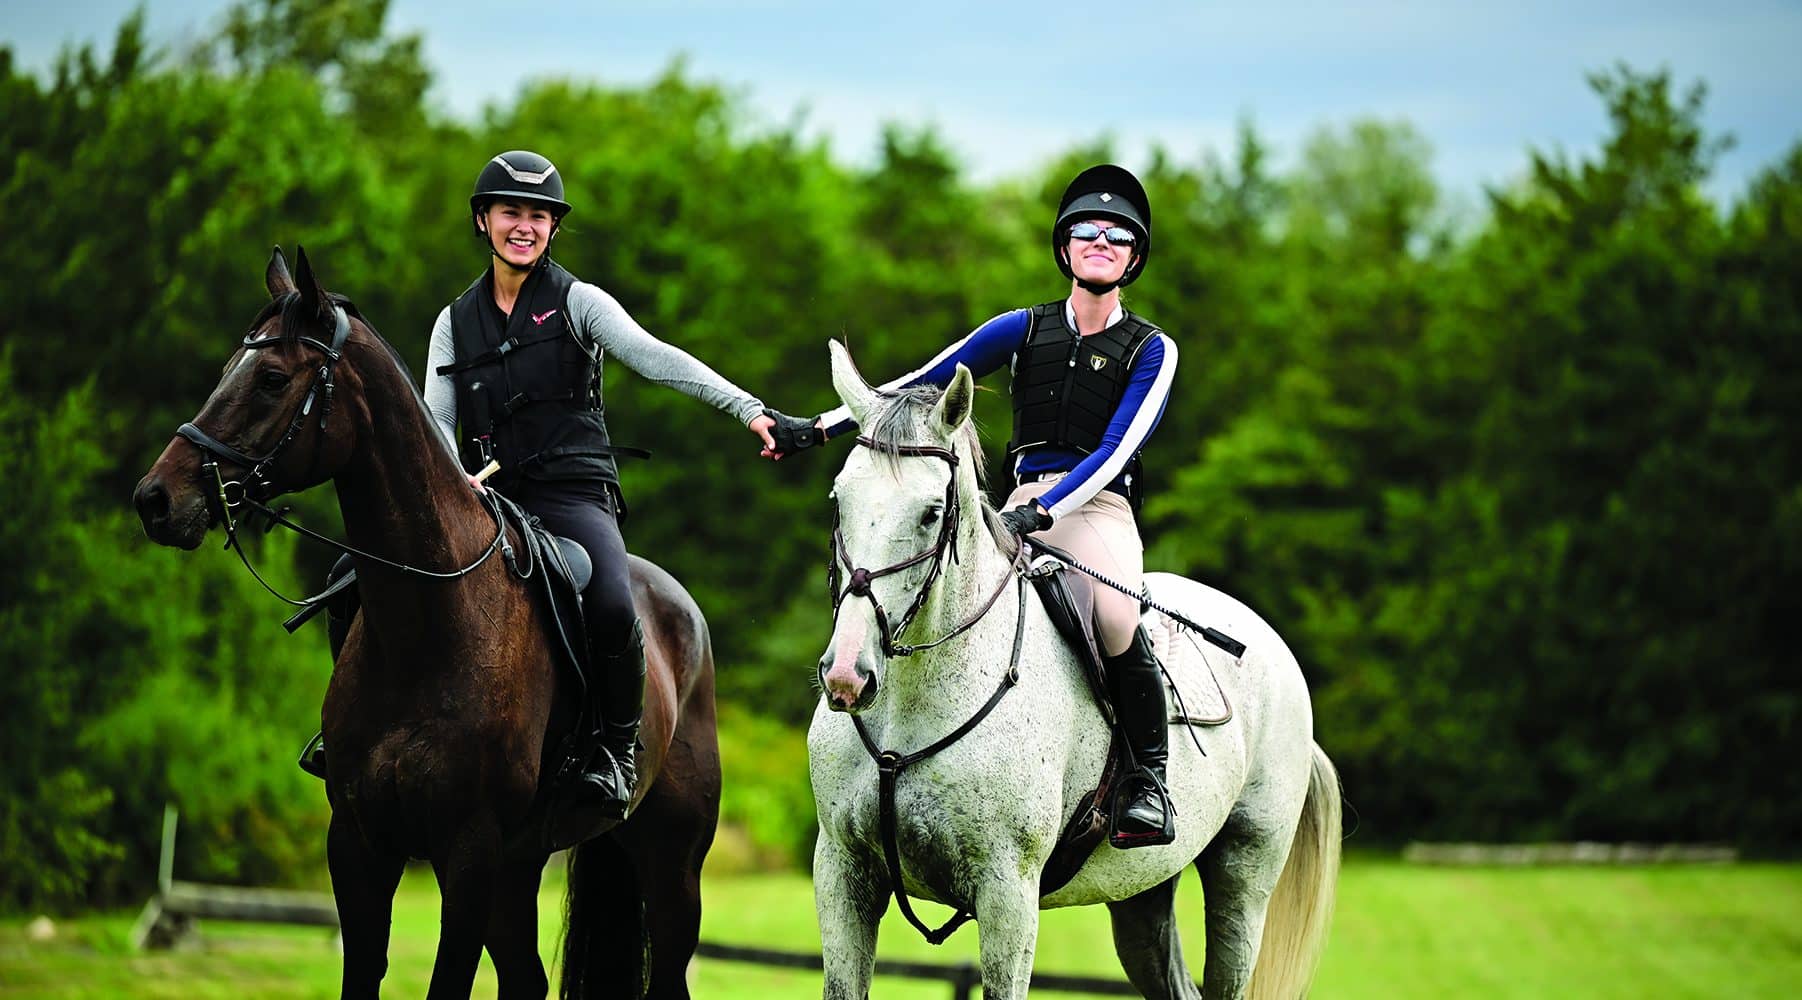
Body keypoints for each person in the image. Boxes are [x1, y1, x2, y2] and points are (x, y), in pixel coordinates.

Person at [306, 150, 801, 829]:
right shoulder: (453, 321)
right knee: (349, 576)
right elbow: (437, 420)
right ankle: (354, 730)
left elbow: (657, 359)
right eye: (511, 212)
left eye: (539, 217)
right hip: (486, 500)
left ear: (553, 228)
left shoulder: (579, 302)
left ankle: (614, 751)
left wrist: (748, 409)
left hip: (572, 498)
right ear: (483, 221)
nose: (525, 227)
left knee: (610, 600)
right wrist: (453, 476)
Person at [763, 163, 1180, 847]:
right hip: (1015, 500)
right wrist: (816, 429)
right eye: (1086, 230)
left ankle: (1147, 780)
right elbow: (917, 382)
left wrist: (1043, 513)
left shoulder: (1152, 349)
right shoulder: (1023, 327)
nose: (1101, 241)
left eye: (1117, 235)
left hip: (1096, 509)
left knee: (1113, 614)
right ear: (1065, 246)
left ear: (1134, 257)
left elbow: (1116, 449)